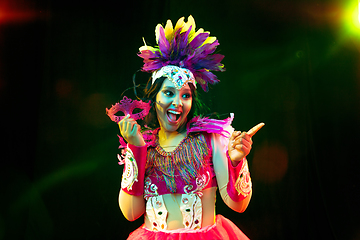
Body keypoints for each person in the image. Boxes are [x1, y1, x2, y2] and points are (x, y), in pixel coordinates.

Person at [107, 15, 264, 240]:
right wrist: (136, 149)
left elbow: (238, 205)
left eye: (186, 95)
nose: (178, 103)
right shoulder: (144, 143)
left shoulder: (212, 139)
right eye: (169, 93)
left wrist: (236, 160)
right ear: (154, 97)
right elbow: (131, 213)